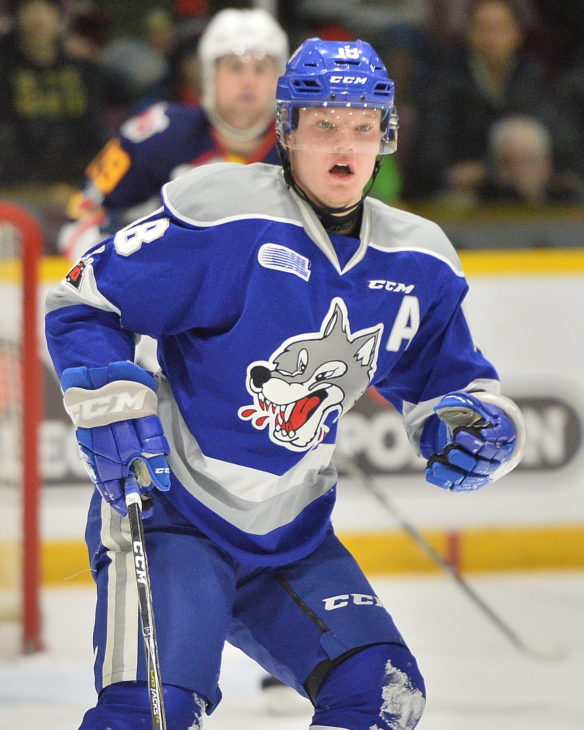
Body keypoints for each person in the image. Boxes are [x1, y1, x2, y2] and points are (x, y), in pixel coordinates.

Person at [45, 38, 526, 730]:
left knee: (382, 695)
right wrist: (110, 396)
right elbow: (85, 301)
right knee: (147, 716)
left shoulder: (417, 259)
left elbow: (450, 385)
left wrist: (481, 425)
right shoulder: (224, 215)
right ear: (288, 132)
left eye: (364, 127)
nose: (346, 143)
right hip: (172, 519)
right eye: (324, 124)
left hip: (291, 539)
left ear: (386, 137)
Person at [58, 6, 289, 261]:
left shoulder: (306, 147)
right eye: (235, 67)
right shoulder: (154, 134)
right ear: (210, 75)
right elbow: (84, 212)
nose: (248, 80)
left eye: (261, 69)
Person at [403, 0, 577, 202]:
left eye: (501, 28)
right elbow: (429, 152)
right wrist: (483, 169)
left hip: (528, 184)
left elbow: (563, 138)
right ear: (468, 33)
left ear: (518, 34)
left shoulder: (534, 78)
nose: (492, 37)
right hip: (467, 188)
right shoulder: (444, 81)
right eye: (483, 28)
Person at [0, 0, 105, 186]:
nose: (37, 17)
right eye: (29, 8)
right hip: (18, 182)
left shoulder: (82, 68)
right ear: (17, 16)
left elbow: (93, 129)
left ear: (58, 17)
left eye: (45, 8)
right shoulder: (6, 67)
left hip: (76, 178)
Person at [478, 115, 584, 205]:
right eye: (508, 163)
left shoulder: (571, 203)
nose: (519, 171)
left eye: (528, 161)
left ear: (547, 163)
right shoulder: (482, 207)